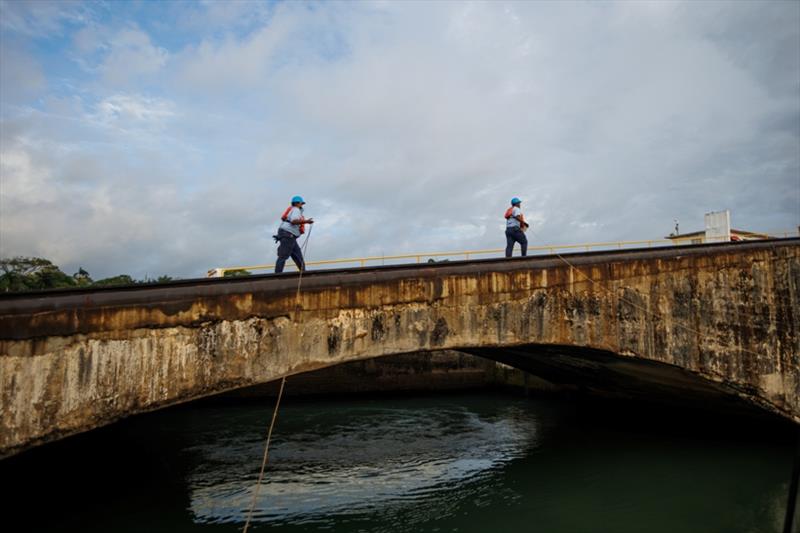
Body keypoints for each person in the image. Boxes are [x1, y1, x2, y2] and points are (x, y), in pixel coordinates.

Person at [274, 195, 314, 273]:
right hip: (288, 234)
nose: (302, 205)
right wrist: (306, 221)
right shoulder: (296, 210)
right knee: (283, 256)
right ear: (297, 203)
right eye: (301, 203)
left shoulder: (294, 210)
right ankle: (277, 275)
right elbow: (293, 221)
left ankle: (303, 274)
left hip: (289, 236)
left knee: (298, 256)